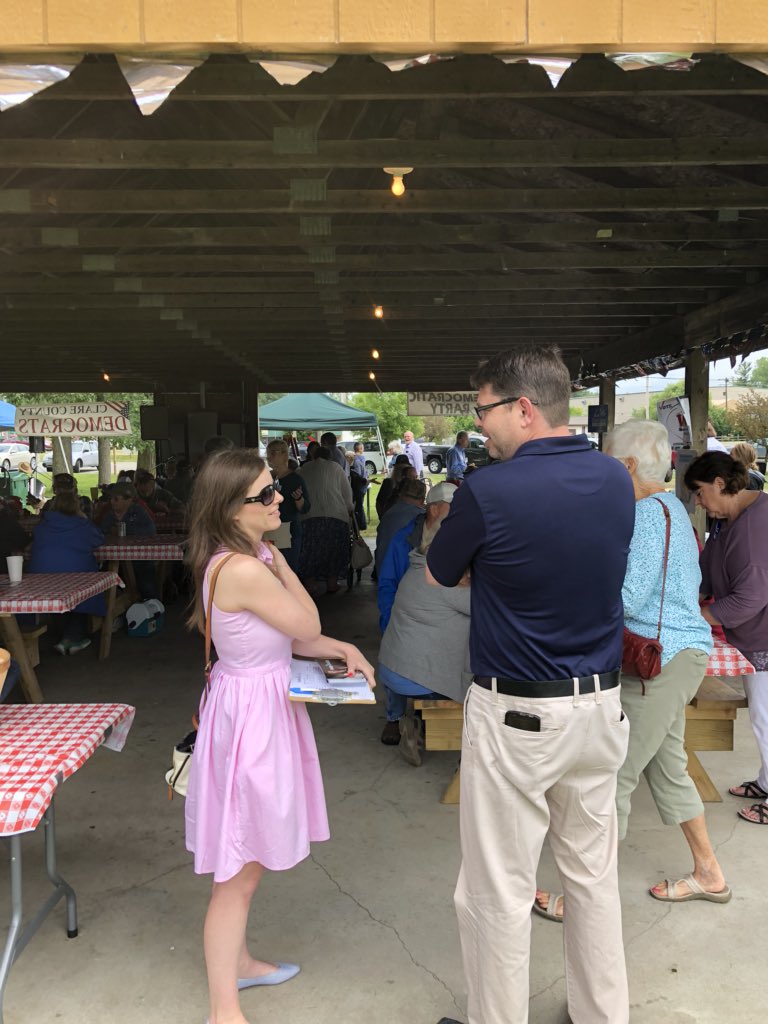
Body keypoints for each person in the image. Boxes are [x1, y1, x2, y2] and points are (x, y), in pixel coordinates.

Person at [426, 345, 635, 1024]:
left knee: (497, 889)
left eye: (484, 409)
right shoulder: (613, 479)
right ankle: (603, 1015)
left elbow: (440, 573)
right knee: (593, 878)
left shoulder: (489, 490)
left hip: (517, 711)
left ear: (522, 407)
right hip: (600, 707)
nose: (480, 425)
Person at [184, 447, 374, 1024]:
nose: (280, 499)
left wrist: (346, 648)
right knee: (237, 871)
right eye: (264, 495)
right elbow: (308, 624)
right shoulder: (244, 567)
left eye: (276, 489)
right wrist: (279, 563)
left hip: (251, 712)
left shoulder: (238, 558)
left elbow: (291, 638)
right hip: (252, 723)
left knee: (247, 858)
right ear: (230, 509)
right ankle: (224, 1011)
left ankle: (238, 963)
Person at [535, 420, 729, 924]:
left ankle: (582, 902)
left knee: (611, 776)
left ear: (625, 466)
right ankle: (709, 873)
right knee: (668, 768)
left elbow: (625, 599)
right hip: (676, 657)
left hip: (659, 661)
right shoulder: (673, 510)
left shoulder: (646, 515)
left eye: (605, 461)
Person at [684, 450, 768, 826]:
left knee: (766, 718)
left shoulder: (753, 530)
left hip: (763, 634)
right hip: (752, 634)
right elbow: (708, 567)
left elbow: (750, 597)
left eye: (700, 492)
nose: (698, 501)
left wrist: (703, 615)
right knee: (760, 717)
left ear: (721, 484)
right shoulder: (728, 517)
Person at [378, 486, 468, 764]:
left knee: (409, 652)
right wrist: (389, 623)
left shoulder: (426, 553)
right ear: (434, 507)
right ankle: (398, 718)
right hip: (407, 625)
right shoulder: (406, 538)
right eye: (452, 505)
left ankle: (413, 718)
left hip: (414, 629)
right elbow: (387, 584)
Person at [29, 491, 106, 655]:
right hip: (76, 577)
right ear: (77, 506)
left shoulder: (42, 526)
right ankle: (71, 637)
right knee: (84, 592)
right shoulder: (82, 525)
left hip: (40, 579)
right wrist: (84, 518)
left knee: (63, 597)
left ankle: (67, 636)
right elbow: (99, 539)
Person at [297, 446, 354, 595]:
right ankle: (332, 583)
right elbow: (347, 494)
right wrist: (349, 509)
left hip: (309, 518)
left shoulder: (304, 469)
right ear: (331, 457)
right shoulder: (336, 468)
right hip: (336, 517)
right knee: (334, 552)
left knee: (310, 552)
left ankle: (310, 584)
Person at [99, 481, 158, 599]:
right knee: (103, 578)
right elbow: (100, 532)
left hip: (139, 558)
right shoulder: (110, 515)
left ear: (128, 500)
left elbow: (151, 531)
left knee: (146, 583)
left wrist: (123, 531)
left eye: (116, 499)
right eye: (111, 499)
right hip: (114, 560)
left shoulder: (138, 512)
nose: (112, 502)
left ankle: (152, 608)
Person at [266, 438, 310, 572]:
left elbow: (306, 508)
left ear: (284, 454)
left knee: (287, 570)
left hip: (288, 531)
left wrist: (298, 499)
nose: (269, 456)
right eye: (268, 452)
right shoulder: (267, 477)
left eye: (274, 452)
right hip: (268, 530)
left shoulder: (295, 479)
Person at [374, 478, 426, 576]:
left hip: (382, 572)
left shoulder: (388, 514)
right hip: (404, 577)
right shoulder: (421, 517)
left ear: (401, 495)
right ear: (423, 500)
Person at [351, 442, 369, 529]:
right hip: (361, 485)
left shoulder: (356, 459)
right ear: (360, 448)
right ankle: (361, 524)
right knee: (359, 505)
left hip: (361, 485)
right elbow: (359, 474)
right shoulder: (359, 459)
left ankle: (361, 524)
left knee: (359, 505)